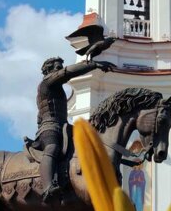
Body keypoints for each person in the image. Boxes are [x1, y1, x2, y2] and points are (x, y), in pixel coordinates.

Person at [31, 56, 113, 201]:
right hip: (49, 127)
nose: (60, 70)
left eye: (60, 67)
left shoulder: (56, 89)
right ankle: (48, 187)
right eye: (57, 67)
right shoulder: (47, 83)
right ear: (48, 70)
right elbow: (67, 73)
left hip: (63, 126)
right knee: (52, 148)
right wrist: (93, 65)